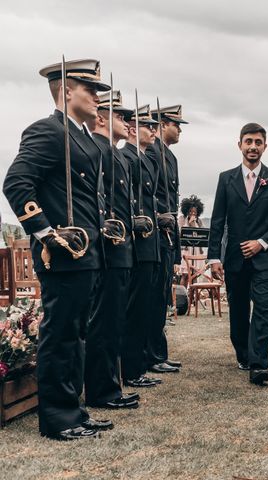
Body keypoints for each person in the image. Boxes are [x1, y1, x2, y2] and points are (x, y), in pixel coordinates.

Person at [3, 59, 113, 440]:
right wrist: (45, 233)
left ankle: (75, 411)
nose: (99, 97)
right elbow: (16, 183)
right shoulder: (48, 131)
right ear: (66, 90)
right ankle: (57, 418)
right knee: (61, 333)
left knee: (77, 334)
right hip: (63, 253)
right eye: (91, 89)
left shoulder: (81, 136)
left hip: (87, 252)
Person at [208, 123, 268, 386]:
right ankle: (243, 354)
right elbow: (217, 220)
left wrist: (263, 242)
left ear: (265, 146)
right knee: (239, 309)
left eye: (258, 142)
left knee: (265, 309)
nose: (253, 146)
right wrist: (214, 258)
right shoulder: (225, 178)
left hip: (265, 258)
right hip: (233, 258)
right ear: (240, 145)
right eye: (248, 141)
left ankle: (259, 364)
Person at [84, 91, 139, 409]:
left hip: (121, 246)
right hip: (107, 246)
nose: (127, 123)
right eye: (120, 117)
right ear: (102, 118)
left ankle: (110, 385)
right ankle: (102, 390)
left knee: (113, 319)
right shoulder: (98, 150)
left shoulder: (112, 152)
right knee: (104, 321)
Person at [120, 104, 163, 389]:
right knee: (133, 309)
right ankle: (131, 370)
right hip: (136, 242)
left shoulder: (146, 158)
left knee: (144, 307)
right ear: (134, 129)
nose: (153, 131)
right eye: (148, 126)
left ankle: (138, 365)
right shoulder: (126, 156)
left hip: (150, 240)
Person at [145, 105, 187, 374]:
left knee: (162, 298)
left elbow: (173, 202)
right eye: (176, 124)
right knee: (153, 299)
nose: (179, 129)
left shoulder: (169, 156)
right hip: (157, 232)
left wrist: (177, 252)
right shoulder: (151, 152)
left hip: (168, 233)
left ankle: (158, 352)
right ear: (162, 124)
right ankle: (150, 354)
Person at [178, 195, 206, 287]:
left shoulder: (199, 221)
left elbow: (203, 234)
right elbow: (180, 232)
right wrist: (189, 224)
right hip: (186, 250)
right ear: (186, 211)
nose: (192, 214)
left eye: (195, 212)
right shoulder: (182, 219)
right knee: (185, 275)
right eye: (190, 211)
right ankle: (182, 297)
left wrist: (194, 224)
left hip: (197, 251)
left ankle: (193, 297)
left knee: (195, 275)